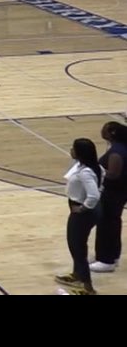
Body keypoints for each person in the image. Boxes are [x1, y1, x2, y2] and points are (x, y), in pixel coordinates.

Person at [55, 138, 103, 294]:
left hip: (83, 214)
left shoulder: (86, 172)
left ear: (80, 152)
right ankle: (77, 275)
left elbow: (94, 196)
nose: (71, 150)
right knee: (76, 245)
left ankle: (87, 287)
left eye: (73, 148)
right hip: (86, 211)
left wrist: (83, 208)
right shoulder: (89, 167)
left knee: (77, 247)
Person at [91, 122, 127, 274]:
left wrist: (96, 170)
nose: (101, 130)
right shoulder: (120, 147)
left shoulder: (117, 151)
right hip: (119, 191)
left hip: (113, 192)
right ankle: (113, 255)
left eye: (104, 128)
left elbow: (114, 174)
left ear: (112, 132)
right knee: (113, 222)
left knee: (107, 223)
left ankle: (106, 260)